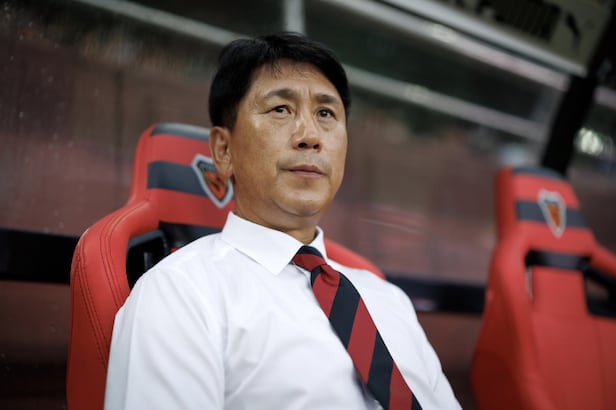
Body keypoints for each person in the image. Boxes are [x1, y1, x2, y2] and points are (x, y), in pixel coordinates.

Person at [104, 32, 461, 409]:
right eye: (280, 109)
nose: (310, 136)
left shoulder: (388, 300)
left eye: (326, 114)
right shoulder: (181, 294)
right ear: (223, 151)